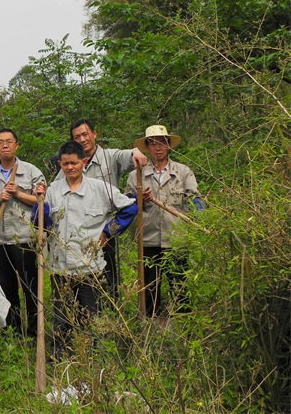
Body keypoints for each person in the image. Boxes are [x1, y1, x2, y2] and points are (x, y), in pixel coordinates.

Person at [34, 141, 138, 357]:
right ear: (60, 165)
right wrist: (39, 201)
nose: (70, 168)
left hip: (90, 268)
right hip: (61, 269)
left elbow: (130, 207)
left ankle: (92, 358)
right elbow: (41, 222)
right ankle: (60, 358)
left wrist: (109, 231)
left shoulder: (101, 188)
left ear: (84, 162)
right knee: (62, 317)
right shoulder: (53, 190)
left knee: (92, 316)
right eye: (65, 164)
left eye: (74, 163)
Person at [58, 120, 148, 300]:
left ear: (94, 134)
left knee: (107, 279)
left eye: (85, 134)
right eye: (77, 137)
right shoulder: (71, 164)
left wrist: (136, 152)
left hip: (103, 231)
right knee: (81, 282)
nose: (82, 139)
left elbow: (127, 156)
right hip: (77, 234)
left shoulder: (109, 156)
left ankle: (111, 317)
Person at [126, 125, 203, 319]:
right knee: (150, 291)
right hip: (148, 241)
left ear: (168, 145)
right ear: (147, 147)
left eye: (162, 142)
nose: (158, 147)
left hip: (177, 241)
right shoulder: (136, 175)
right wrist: (139, 199)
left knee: (180, 288)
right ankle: (152, 331)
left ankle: (184, 328)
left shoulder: (183, 172)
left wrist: (203, 219)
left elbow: (195, 200)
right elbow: (127, 206)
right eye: (153, 143)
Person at [0, 128, 45, 338]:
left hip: (25, 238)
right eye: (0, 142)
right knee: (6, 288)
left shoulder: (31, 171)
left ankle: (35, 331)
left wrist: (18, 193)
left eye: (9, 141)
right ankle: (14, 330)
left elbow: (43, 201)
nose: (5, 145)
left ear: (17, 145)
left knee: (30, 288)